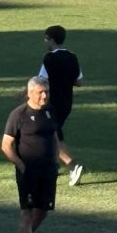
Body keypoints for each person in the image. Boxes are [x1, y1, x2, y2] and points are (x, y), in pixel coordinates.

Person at [1, 77, 59, 233]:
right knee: (27, 213)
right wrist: (21, 165)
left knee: (42, 212)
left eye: (46, 92)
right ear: (30, 93)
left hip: (49, 171)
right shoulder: (19, 115)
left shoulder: (51, 112)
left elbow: (55, 138)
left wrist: (59, 160)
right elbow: (6, 145)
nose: (44, 96)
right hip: (28, 173)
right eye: (40, 92)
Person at [38, 25, 84, 186]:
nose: (45, 41)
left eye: (46, 38)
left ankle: (73, 166)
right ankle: (50, 166)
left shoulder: (49, 58)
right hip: (67, 103)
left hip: (52, 104)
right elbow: (79, 81)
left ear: (51, 39)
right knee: (54, 134)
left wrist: (23, 92)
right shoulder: (72, 57)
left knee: (50, 136)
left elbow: (40, 82)